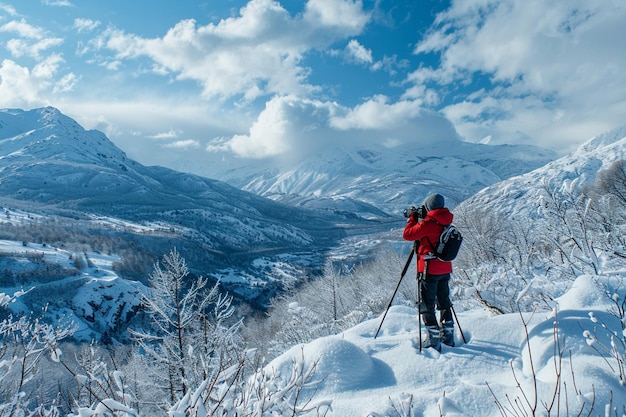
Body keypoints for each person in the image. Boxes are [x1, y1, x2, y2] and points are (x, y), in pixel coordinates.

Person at [403, 193, 455, 351]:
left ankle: (433, 338)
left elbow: (408, 235)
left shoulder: (428, 224)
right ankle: (448, 334)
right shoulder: (447, 221)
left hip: (429, 270)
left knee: (427, 304)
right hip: (445, 269)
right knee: (444, 301)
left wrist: (412, 218)